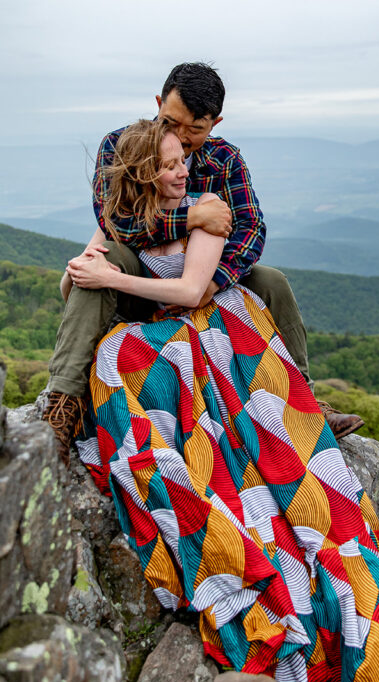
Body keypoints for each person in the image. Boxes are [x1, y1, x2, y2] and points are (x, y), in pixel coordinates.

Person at [68, 117, 379, 682]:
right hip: (177, 333)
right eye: (173, 161)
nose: (187, 169)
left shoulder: (207, 208)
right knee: (116, 356)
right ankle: (96, 420)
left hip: (222, 327)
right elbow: (79, 283)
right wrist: (84, 269)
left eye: (186, 156)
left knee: (266, 472)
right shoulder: (125, 225)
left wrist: (111, 277)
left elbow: (189, 291)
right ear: (144, 173)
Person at [44, 63, 363, 463]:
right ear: (158, 104)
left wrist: (213, 281)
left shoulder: (223, 159)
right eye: (171, 122)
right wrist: (191, 218)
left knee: (272, 282)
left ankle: (303, 398)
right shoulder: (123, 144)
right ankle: (63, 405)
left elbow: (250, 229)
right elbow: (116, 222)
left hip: (200, 279)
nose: (180, 136)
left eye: (195, 129)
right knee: (106, 262)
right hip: (142, 267)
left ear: (215, 123)